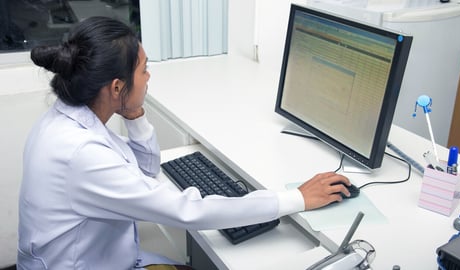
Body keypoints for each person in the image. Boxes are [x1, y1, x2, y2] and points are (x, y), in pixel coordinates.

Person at [17, 16, 352, 270]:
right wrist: (297, 198)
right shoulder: (80, 154)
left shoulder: (66, 118)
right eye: (144, 70)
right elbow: (188, 212)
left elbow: (145, 174)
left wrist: (134, 115)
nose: (149, 77)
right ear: (116, 88)